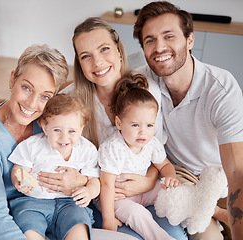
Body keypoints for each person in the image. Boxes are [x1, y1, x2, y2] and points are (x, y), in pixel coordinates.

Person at [58, 16, 187, 240]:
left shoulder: (146, 91)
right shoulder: (73, 104)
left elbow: (154, 149)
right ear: (79, 63)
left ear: (119, 50)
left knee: (178, 233)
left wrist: (147, 181)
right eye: (86, 56)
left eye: (104, 49)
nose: (97, 63)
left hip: (147, 187)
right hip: (109, 197)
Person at [133, 1, 243, 239]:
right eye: (150, 40)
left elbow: (236, 171)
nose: (159, 47)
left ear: (189, 40)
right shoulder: (143, 81)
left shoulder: (221, 89)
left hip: (221, 174)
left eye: (169, 36)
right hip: (181, 176)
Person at [0, 44, 95, 240]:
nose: (31, 104)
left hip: (66, 208)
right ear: (12, 79)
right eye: (26, 87)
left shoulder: (53, 123)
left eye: (45, 96)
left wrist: (83, 181)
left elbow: (88, 167)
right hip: (24, 216)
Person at [97, 72, 180, 240]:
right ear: (119, 123)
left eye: (149, 125)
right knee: (138, 214)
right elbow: (106, 184)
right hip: (116, 198)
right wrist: (108, 219)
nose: (143, 132)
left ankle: (199, 211)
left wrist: (170, 178)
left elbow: (164, 165)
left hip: (144, 191)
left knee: (174, 192)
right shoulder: (114, 148)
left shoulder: (151, 143)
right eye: (135, 125)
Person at [8, 94, 100, 240]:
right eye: (57, 130)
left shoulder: (87, 150)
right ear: (45, 128)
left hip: (70, 204)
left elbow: (94, 179)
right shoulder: (32, 145)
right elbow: (18, 169)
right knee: (28, 227)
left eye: (72, 131)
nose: (64, 138)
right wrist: (19, 181)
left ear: (81, 129)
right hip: (33, 202)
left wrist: (89, 191)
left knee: (79, 226)